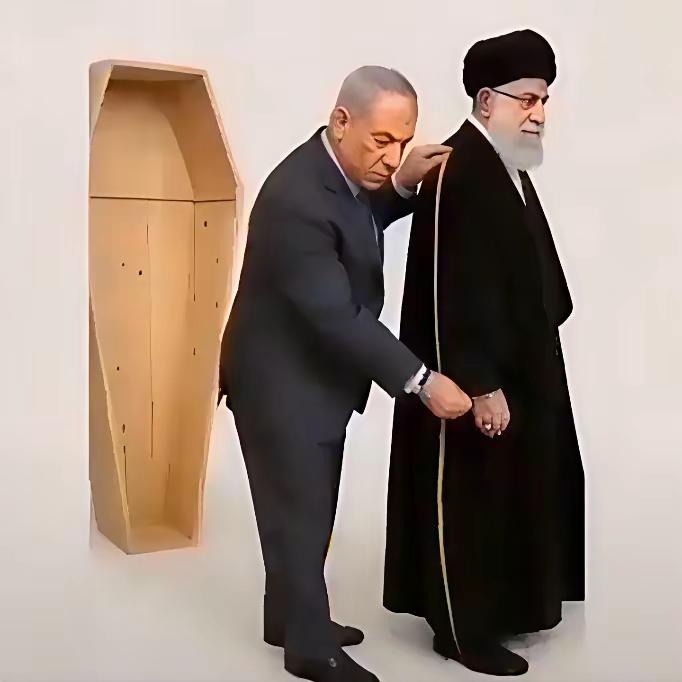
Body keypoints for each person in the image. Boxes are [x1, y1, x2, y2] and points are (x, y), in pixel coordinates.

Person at [219, 66, 472, 682]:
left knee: (303, 511)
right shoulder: (298, 199)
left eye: (403, 142)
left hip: (306, 373)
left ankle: (287, 618)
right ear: (341, 121)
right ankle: (310, 649)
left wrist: (402, 188)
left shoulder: (335, 174)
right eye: (382, 141)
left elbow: (357, 219)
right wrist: (421, 380)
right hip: (280, 381)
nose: (393, 156)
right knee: (301, 515)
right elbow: (337, 316)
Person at [383, 29, 585, 677]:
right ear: (487, 99)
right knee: (471, 495)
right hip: (477, 376)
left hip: (519, 365)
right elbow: (455, 287)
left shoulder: (502, 161)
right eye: (527, 99)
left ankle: (504, 607)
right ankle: (461, 632)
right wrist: (480, 383)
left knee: (507, 492)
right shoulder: (462, 168)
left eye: (544, 99)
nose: (539, 113)